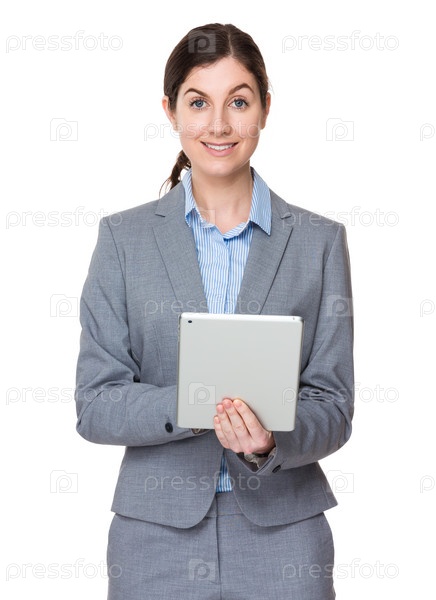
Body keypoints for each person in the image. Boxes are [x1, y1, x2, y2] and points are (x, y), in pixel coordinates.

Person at [75, 22, 354, 600]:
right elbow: (96, 403)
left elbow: (333, 404)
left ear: (265, 109)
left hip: (286, 533)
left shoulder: (319, 242)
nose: (219, 124)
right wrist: (196, 404)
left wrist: (268, 442)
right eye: (198, 102)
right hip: (154, 536)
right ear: (171, 111)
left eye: (239, 102)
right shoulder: (123, 240)